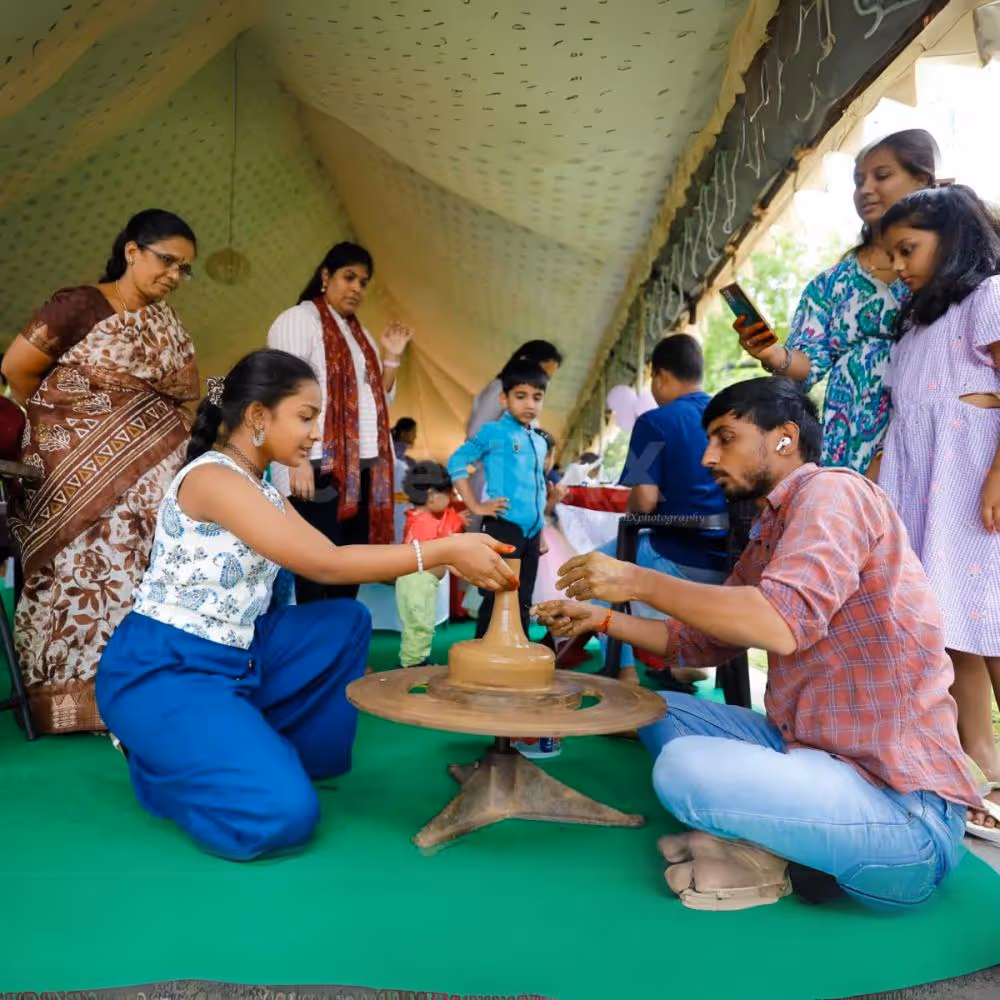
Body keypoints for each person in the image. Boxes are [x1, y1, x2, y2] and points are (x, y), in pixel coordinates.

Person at [534, 377, 979, 911]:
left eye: (725, 438)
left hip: (905, 818)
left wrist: (637, 580)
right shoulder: (773, 527)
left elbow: (779, 624)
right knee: (653, 708)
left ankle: (766, 848)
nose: (707, 457)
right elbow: (700, 643)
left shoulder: (834, 493)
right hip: (815, 757)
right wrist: (601, 619)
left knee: (682, 768)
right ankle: (767, 842)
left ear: (785, 437)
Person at [96, 350, 516, 861]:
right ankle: (155, 759)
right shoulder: (214, 480)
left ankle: (264, 751)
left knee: (344, 621)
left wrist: (448, 552)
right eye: (306, 416)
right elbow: (325, 565)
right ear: (258, 415)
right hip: (165, 669)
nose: (316, 434)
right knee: (283, 813)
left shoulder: (262, 490)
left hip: (239, 656)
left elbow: (333, 555)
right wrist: (443, 550)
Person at [3, 209, 200, 733]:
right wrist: (79, 426)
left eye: (184, 269)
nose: (174, 276)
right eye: (167, 261)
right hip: (71, 477)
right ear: (132, 251)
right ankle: (65, 705)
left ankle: (130, 694)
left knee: (136, 580)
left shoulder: (167, 325)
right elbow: (17, 368)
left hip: (151, 485)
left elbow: (185, 398)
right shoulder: (80, 304)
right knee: (75, 577)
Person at [876, 184, 1000, 840]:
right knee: (949, 623)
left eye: (908, 249)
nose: (898, 265)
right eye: (892, 254)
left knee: (991, 621)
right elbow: (903, 421)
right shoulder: (915, 327)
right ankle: (980, 766)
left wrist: (998, 472)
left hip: (971, 475)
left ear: (951, 240)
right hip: (920, 484)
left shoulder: (989, 296)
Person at [737, 129, 939, 473]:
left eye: (882, 176)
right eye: (858, 181)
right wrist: (772, 354)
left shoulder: (948, 266)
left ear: (922, 180)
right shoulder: (831, 283)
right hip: (849, 436)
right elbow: (808, 364)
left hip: (926, 425)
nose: (865, 189)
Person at [267, 241, 413, 604]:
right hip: (317, 463)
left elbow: (378, 403)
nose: (357, 288)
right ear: (326, 275)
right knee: (317, 571)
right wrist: (296, 460)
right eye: (349, 277)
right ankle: (318, 642)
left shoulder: (361, 336)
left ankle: (341, 640)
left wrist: (392, 358)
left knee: (351, 570)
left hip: (362, 469)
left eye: (363, 282)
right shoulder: (299, 320)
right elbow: (282, 391)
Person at [597, 334, 729, 686]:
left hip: (677, 556)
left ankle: (624, 672)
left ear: (661, 376)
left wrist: (631, 513)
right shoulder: (731, 418)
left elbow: (644, 501)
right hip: (730, 565)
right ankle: (681, 662)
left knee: (592, 571)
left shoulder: (654, 423)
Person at [449, 362, 549, 638]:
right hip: (503, 526)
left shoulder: (540, 441)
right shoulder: (493, 432)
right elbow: (457, 461)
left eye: (537, 397)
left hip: (532, 532)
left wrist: (541, 530)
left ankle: (519, 649)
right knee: (496, 595)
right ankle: (483, 651)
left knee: (524, 597)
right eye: (521, 396)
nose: (530, 404)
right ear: (504, 399)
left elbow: (538, 486)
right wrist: (475, 506)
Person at [395, 461, 466, 668]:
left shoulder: (418, 517)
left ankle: (417, 660)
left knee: (420, 624)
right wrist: (458, 523)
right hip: (418, 583)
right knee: (420, 625)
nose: (450, 501)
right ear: (432, 495)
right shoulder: (424, 522)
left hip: (419, 583)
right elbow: (442, 543)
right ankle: (412, 665)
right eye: (448, 495)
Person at [391, 417, 418, 542]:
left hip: (403, 506)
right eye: (413, 432)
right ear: (403, 433)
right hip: (395, 507)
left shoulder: (406, 459)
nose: (415, 436)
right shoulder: (392, 456)